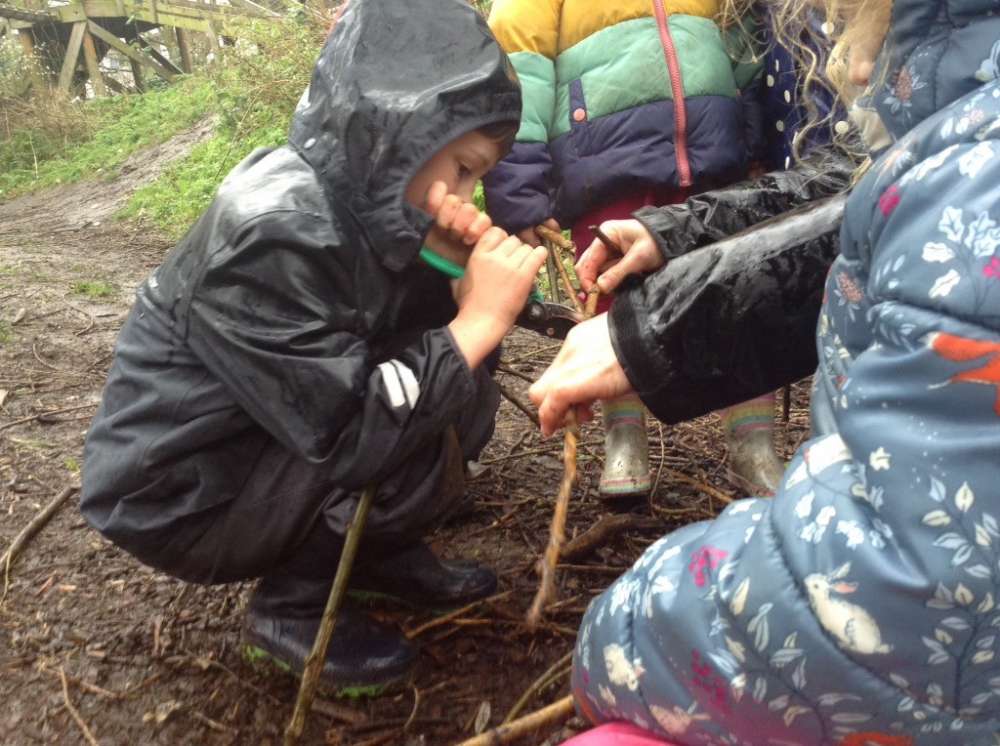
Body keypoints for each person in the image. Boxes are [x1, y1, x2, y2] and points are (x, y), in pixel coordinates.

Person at [536, 0, 1000, 741]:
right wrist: (675, 251)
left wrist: (613, 637)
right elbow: (872, 199)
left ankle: (754, 448)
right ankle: (629, 450)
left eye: (864, 20)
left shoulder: (980, 176)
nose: (849, 66)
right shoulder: (965, 129)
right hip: (614, 167)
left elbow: (909, 589)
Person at [79, 0, 548, 692]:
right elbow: (352, 428)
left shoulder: (364, 209)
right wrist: (475, 319)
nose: (466, 197)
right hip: (183, 487)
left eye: (476, 178)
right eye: (459, 167)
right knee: (428, 387)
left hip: (261, 441)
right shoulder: (273, 231)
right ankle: (291, 608)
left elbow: (380, 353)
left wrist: (446, 277)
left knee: (450, 379)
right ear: (396, 130)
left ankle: (371, 560)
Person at [482, 0, 789, 499]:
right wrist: (520, 186)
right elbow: (520, 64)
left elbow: (742, 39)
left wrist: (754, 141)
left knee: (741, 291)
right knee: (610, 298)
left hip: (714, 155)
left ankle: (753, 445)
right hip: (604, 163)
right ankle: (624, 437)